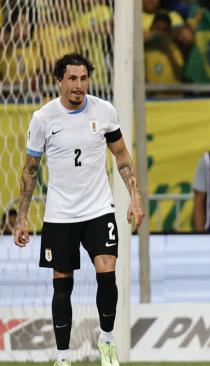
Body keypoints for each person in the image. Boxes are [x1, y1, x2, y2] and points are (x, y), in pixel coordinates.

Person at [14, 53, 145, 366]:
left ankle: (108, 341)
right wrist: (22, 217)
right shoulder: (43, 118)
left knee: (107, 273)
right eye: (72, 79)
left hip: (99, 208)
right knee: (63, 286)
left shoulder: (104, 111)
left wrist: (135, 197)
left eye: (83, 78)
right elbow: (30, 170)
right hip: (60, 213)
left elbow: (122, 156)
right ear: (59, 80)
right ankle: (62, 357)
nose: (78, 85)